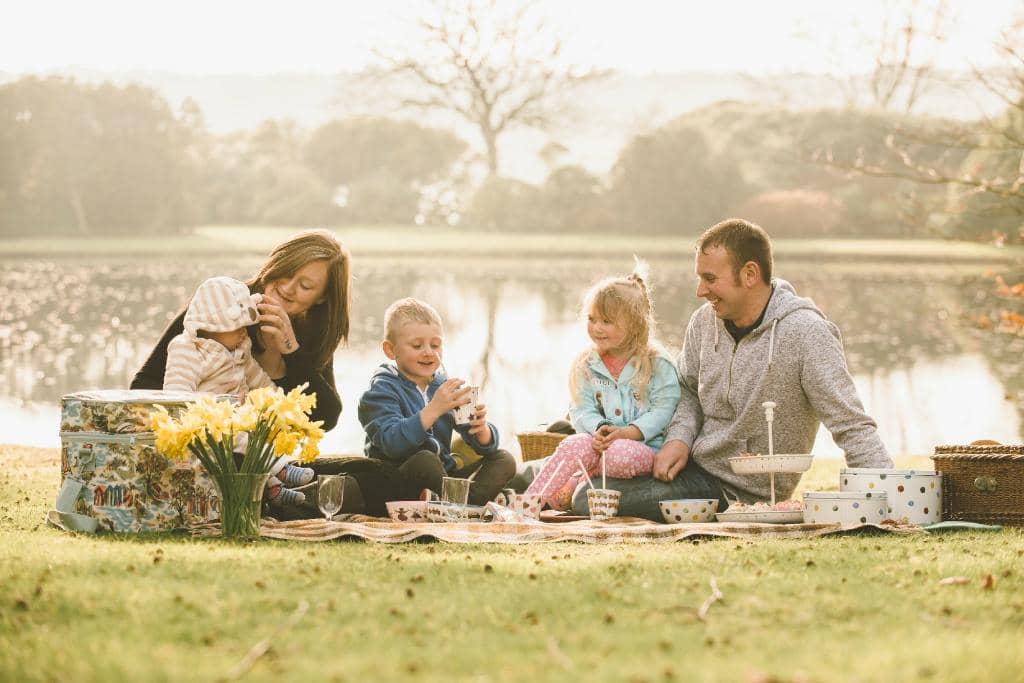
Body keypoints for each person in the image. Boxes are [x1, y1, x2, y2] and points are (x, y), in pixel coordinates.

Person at [571, 218, 893, 521]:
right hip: (685, 465)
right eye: (699, 278)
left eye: (710, 279)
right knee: (582, 473)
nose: (700, 291)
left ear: (749, 274)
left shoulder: (806, 333)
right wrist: (678, 440)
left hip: (735, 493)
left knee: (588, 497)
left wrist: (890, 501)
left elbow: (850, 423)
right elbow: (687, 390)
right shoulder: (703, 322)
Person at [133, 230, 407, 517]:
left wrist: (291, 352)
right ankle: (293, 503)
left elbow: (326, 417)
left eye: (305, 285)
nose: (287, 287)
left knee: (384, 476)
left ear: (321, 298)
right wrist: (211, 412)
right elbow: (142, 385)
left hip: (272, 460)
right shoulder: (220, 305)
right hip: (217, 454)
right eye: (285, 272)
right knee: (242, 467)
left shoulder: (313, 330)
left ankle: (288, 500)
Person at [524, 262, 681, 510]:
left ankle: (580, 476)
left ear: (635, 323)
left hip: (642, 448)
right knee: (573, 444)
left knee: (618, 454)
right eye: (592, 319)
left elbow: (664, 409)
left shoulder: (656, 363)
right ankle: (527, 504)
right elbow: (580, 408)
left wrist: (629, 432)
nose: (596, 327)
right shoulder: (587, 364)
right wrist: (598, 428)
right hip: (597, 444)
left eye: (606, 321)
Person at [162, 275, 314, 506]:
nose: (244, 332)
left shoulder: (240, 348)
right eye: (237, 327)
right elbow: (176, 394)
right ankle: (281, 469)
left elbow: (258, 379)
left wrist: (278, 404)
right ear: (212, 326)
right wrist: (203, 416)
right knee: (245, 442)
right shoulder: (189, 351)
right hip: (209, 427)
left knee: (256, 434)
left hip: (237, 418)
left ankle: (273, 490)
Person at [358, 298, 516, 506]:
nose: (429, 352)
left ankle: (459, 504)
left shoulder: (444, 386)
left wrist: (482, 432)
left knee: (504, 459)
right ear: (390, 350)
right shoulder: (380, 391)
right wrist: (434, 409)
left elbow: (484, 447)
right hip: (399, 479)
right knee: (425, 460)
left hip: (443, 477)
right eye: (417, 345)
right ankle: (469, 503)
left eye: (435, 345)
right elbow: (392, 443)